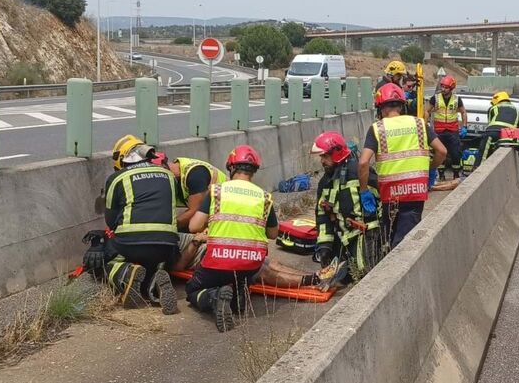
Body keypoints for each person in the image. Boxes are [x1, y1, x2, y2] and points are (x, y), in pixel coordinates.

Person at [185, 146, 343, 331]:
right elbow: (273, 234)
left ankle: (213, 297)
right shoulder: (264, 197)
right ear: (254, 171)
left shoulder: (216, 191)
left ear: (231, 167)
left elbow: (193, 226)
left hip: (217, 262)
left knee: (192, 290)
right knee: (263, 266)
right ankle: (237, 299)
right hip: (249, 266)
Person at [359, 83, 447, 249]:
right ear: (401, 105)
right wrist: (431, 170)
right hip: (416, 191)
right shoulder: (420, 124)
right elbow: (441, 151)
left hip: (390, 193)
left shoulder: (377, 129)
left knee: (388, 236)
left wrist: (364, 191)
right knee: (406, 241)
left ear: (381, 108)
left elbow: (363, 162)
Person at [102, 135, 180, 315]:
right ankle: (154, 282)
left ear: (123, 158)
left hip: (130, 243)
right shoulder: (168, 175)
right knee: (155, 262)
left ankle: (126, 273)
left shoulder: (117, 178)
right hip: (166, 245)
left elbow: (111, 221)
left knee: (106, 257)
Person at [311, 131, 382, 280]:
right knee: (337, 277)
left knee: (366, 273)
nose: (322, 161)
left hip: (366, 234)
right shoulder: (325, 183)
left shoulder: (359, 172)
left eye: (325, 156)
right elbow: (322, 217)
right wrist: (324, 247)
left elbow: (382, 202)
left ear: (336, 153)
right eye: (321, 157)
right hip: (344, 238)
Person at [425, 75, 467, 181]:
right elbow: (426, 111)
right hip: (439, 131)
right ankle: (441, 175)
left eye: (446, 87)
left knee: (456, 153)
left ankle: (456, 174)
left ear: (451, 88)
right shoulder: (435, 98)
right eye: (442, 87)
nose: (443, 89)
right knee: (439, 153)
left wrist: (464, 127)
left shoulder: (457, 99)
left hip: (453, 131)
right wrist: (425, 125)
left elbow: (463, 112)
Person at [478, 91, 519, 163]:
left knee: (483, 150)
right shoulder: (516, 111)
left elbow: (490, 124)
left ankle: (477, 167)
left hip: (493, 132)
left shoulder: (493, 108)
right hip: (509, 134)